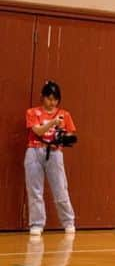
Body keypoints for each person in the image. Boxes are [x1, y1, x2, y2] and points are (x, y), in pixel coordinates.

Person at [24, 81, 77, 236]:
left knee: (60, 188)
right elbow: (38, 131)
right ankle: (37, 223)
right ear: (42, 97)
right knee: (35, 190)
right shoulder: (32, 112)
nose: (52, 102)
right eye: (49, 98)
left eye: (55, 99)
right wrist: (53, 123)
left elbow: (71, 134)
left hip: (54, 153)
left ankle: (68, 221)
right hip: (34, 151)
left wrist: (65, 137)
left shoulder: (65, 114)